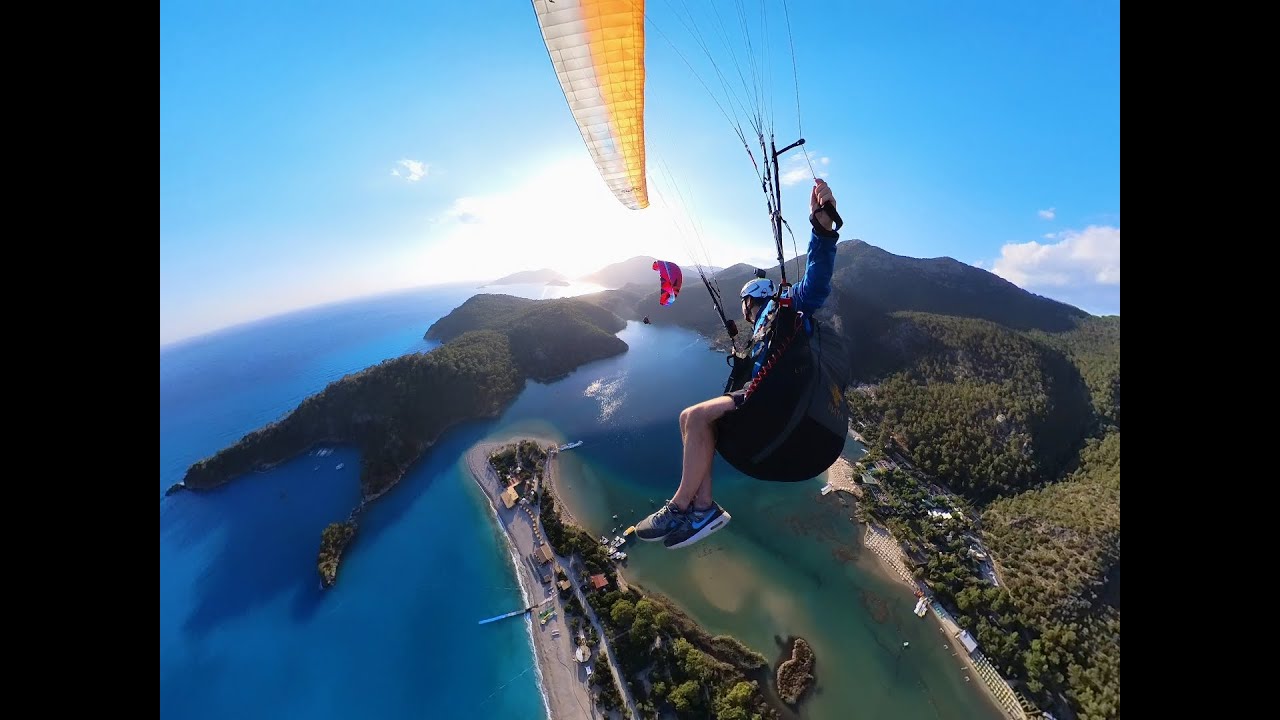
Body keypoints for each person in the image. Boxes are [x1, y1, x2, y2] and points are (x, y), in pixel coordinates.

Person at [635, 179, 842, 549]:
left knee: (695, 416)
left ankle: (680, 505)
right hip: (764, 397)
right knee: (693, 419)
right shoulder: (765, 326)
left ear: (752, 301)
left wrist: (822, 230)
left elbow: (815, 287)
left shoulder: (786, 307)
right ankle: (703, 508)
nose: (745, 314)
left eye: (745, 306)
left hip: (774, 401)